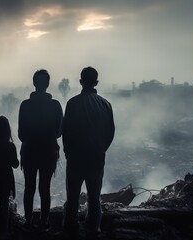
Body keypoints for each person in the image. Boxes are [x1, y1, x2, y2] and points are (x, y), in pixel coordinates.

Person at [62, 66, 115, 238]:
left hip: (76, 157)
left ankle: (71, 228)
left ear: (80, 82)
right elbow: (110, 132)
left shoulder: (72, 103)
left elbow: (66, 132)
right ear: (96, 82)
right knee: (94, 196)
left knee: (73, 196)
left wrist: (68, 153)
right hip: (96, 157)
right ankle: (93, 228)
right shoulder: (106, 105)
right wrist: (101, 149)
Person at [18, 69, 63, 229]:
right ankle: (44, 221)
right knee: (45, 188)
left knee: (29, 187)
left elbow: (21, 135)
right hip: (49, 152)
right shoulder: (56, 106)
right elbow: (59, 132)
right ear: (48, 84)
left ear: (34, 83)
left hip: (29, 151)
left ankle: (28, 221)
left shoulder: (25, 105)